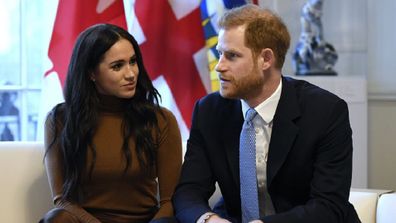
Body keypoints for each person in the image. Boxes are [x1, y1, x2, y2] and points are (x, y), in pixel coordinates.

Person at [172, 4, 360, 223]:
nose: (219, 66)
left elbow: (328, 206)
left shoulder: (325, 111)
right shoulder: (209, 111)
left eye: (231, 56)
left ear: (266, 59)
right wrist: (208, 219)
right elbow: (188, 191)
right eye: (219, 54)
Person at [40, 24, 182, 223]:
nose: (131, 73)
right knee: (57, 219)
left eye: (133, 62)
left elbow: (170, 202)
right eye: (117, 66)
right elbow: (62, 200)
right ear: (91, 73)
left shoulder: (160, 120)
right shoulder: (60, 120)